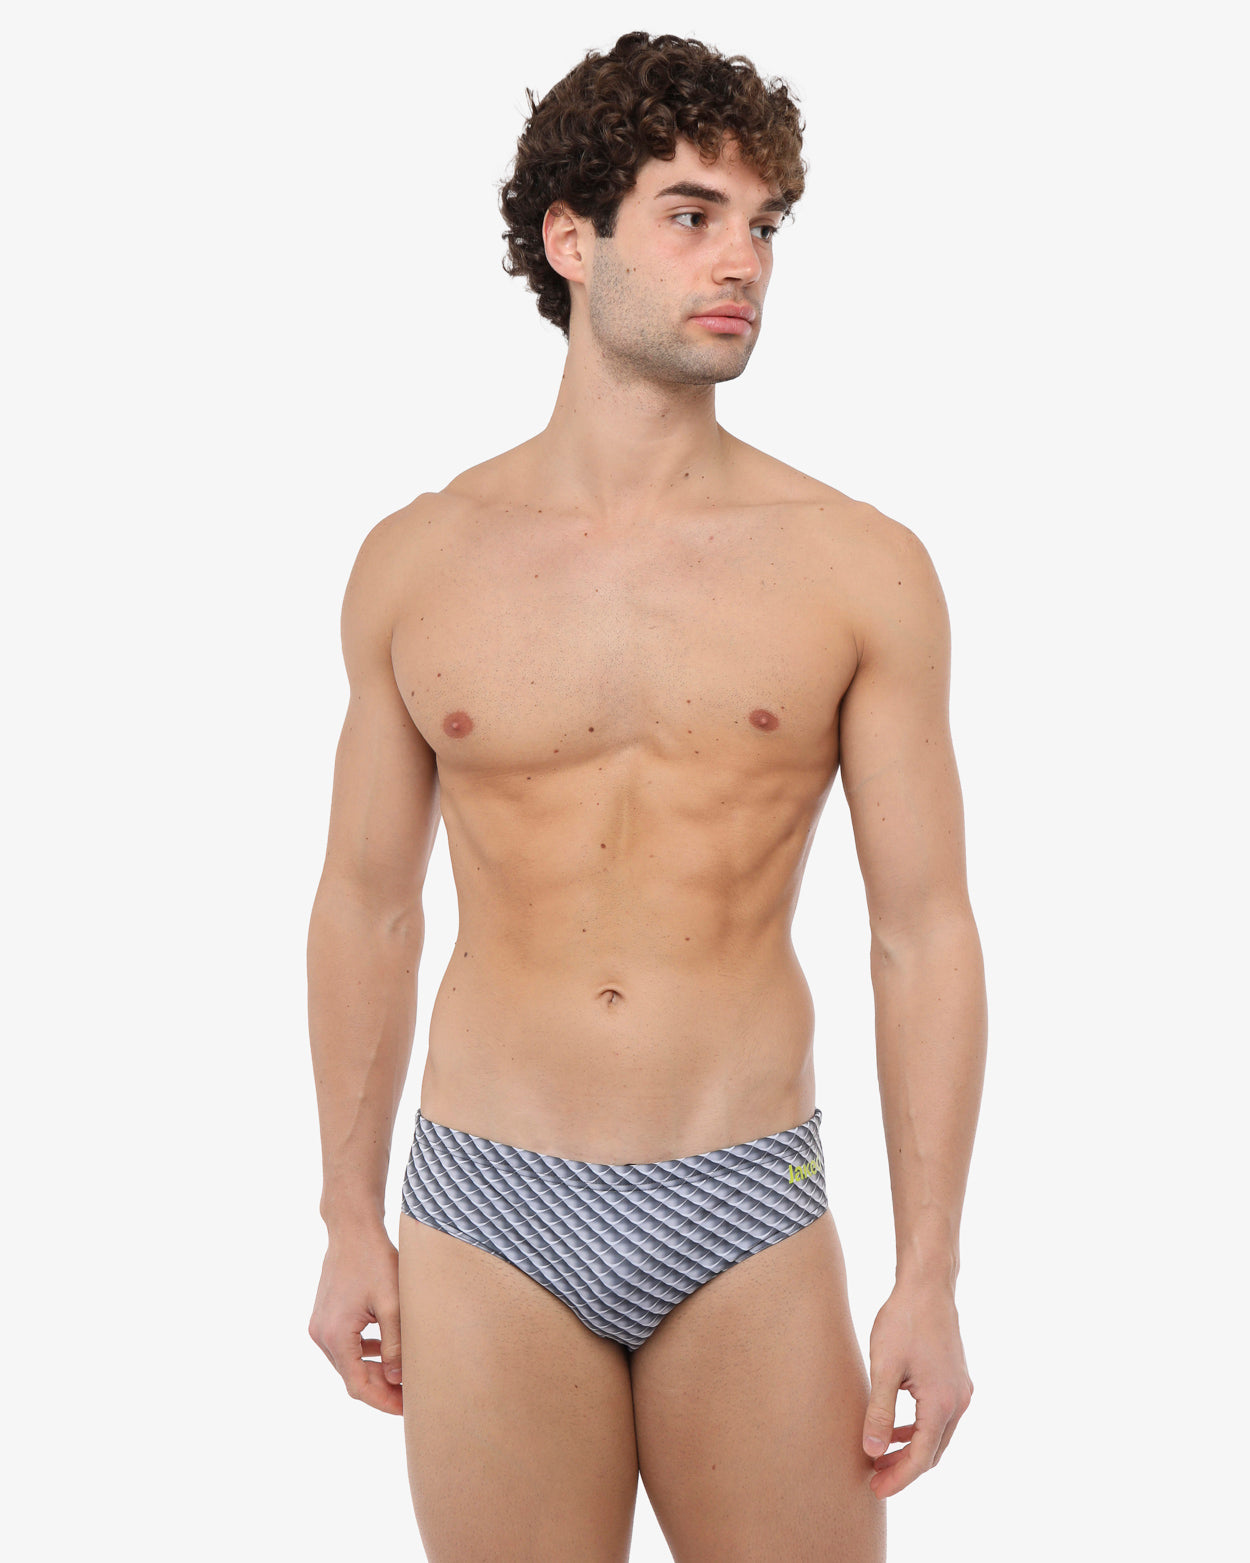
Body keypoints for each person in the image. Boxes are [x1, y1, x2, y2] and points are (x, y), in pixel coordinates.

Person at [307, 29, 986, 1562]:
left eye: (763, 224)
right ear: (571, 239)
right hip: (485, 1198)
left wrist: (929, 1272)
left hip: (745, 1190)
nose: (741, 260)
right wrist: (346, 1212)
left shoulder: (857, 566)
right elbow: (365, 903)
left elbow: (921, 932)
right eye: (691, 216)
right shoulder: (418, 561)